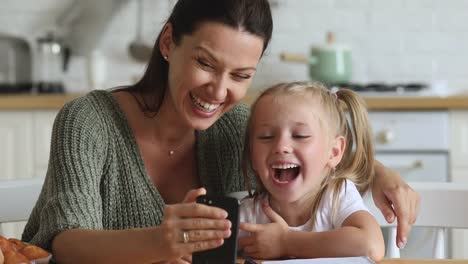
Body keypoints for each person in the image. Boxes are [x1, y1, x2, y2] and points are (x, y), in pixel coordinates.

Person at [21, 0, 418, 263]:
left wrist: (379, 173)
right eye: (206, 64)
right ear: (168, 42)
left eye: (241, 75)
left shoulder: (235, 128)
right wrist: (161, 241)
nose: (218, 91)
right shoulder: (89, 121)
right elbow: (64, 243)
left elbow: (308, 155)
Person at [238, 82, 384, 261]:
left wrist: (287, 242)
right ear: (252, 154)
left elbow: (371, 245)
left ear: (334, 152)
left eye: (300, 136)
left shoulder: (337, 196)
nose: (281, 146)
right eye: (266, 136)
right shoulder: (248, 215)